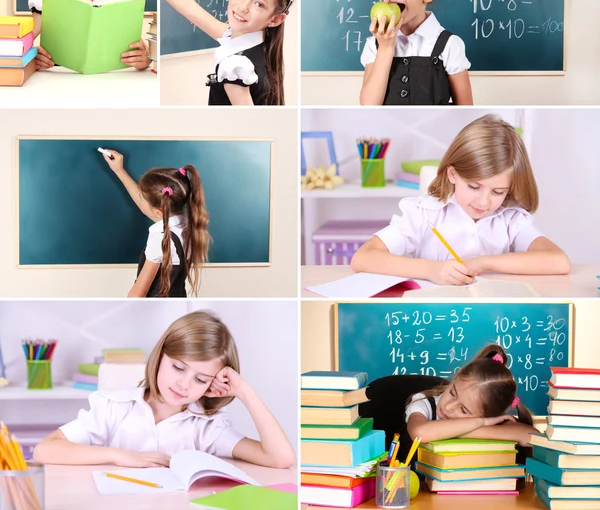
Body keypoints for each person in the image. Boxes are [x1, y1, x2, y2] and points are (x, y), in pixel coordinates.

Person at [33, 311, 295, 468]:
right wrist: (120, 456)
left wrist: (245, 392)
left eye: (201, 379)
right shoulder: (113, 407)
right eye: (178, 368)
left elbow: (280, 459)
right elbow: (44, 450)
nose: (184, 384)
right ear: (160, 357)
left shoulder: (207, 428)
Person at [351, 115, 571, 284]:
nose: (484, 203)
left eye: (498, 192)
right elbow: (363, 258)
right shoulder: (424, 213)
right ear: (452, 174)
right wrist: (431, 270)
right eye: (474, 186)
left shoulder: (510, 218)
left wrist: (482, 262)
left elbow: (558, 261)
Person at [160, 0, 296, 105]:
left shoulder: (235, 65)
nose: (243, 7)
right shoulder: (255, 41)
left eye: (259, 4)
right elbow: (188, 6)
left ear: (275, 19)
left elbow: (248, 125)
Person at [359, 0, 473, 105]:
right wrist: (386, 48)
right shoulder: (375, 45)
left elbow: (465, 109)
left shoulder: (449, 45)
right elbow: (368, 106)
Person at [103, 150, 210, 297]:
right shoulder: (187, 225)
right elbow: (144, 205)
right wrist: (119, 170)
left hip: (155, 311)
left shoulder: (160, 239)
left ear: (159, 212)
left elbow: (136, 296)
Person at [405, 344, 538, 447]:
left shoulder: (493, 419)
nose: (449, 407)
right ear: (456, 376)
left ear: (489, 416)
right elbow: (419, 433)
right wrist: (481, 423)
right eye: (452, 393)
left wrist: (466, 428)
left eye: (463, 410)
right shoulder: (423, 404)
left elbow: (533, 437)